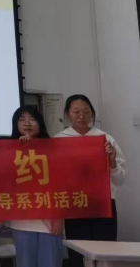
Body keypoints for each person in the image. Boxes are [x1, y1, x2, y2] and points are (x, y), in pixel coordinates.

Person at [55, 95, 126, 267]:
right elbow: (54, 178)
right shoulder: (58, 140)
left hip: (103, 205)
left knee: (106, 252)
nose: (82, 116)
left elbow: (120, 179)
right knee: (78, 252)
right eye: (76, 112)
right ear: (67, 114)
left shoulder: (105, 139)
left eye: (86, 112)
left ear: (92, 114)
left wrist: (112, 161)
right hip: (74, 205)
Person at [6, 105, 64, 267]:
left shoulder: (53, 148)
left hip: (50, 220)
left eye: (32, 119)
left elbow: (61, 183)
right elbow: (5, 182)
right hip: (22, 221)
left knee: (51, 263)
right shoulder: (8, 150)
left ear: (40, 123)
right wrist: (23, 148)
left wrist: (59, 217)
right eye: (22, 119)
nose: (27, 123)